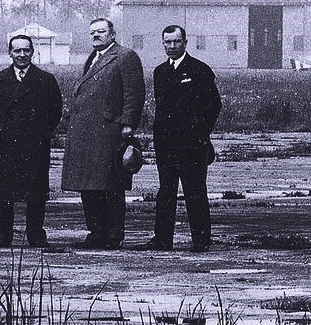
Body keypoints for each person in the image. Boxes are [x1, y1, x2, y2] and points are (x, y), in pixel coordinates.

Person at [62, 15, 147, 248]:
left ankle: (113, 234)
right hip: (85, 131)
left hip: (109, 131)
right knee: (88, 186)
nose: (95, 35)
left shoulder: (125, 56)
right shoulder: (92, 58)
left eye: (100, 31)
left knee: (111, 185)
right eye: (92, 32)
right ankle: (96, 231)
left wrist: (128, 123)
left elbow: (134, 93)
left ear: (112, 34)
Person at [0, 30, 62, 249]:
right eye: (17, 50)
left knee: (36, 192)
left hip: (35, 144)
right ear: (10, 53)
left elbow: (55, 111)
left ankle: (36, 235)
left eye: (26, 50)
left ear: (33, 53)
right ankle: (3, 236)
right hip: (6, 144)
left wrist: (42, 133)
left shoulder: (46, 80)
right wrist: (4, 130)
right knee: (2, 193)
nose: (22, 54)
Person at [148, 23, 224, 251]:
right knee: (166, 192)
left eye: (176, 42)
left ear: (185, 43)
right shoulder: (160, 72)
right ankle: (162, 239)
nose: (171, 46)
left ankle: (201, 241)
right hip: (166, 145)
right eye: (167, 42)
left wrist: (200, 134)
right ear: (163, 44)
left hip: (192, 145)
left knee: (195, 192)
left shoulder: (199, 70)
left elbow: (214, 106)